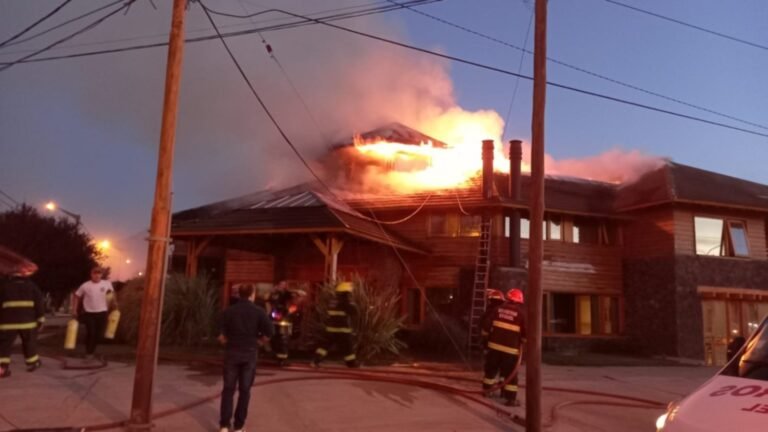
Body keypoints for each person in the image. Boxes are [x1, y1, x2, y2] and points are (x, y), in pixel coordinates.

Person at [218, 283, 274, 432]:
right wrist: (260, 342)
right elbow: (270, 331)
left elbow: (221, 336)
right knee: (245, 390)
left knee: (228, 390)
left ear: (239, 295)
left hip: (232, 352)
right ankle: (239, 426)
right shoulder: (259, 311)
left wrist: (228, 342)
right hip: (249, 352)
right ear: (252, 295)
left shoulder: (228, 311)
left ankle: (224, 426)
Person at [482, 288, 526, 407]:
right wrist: (523, 343)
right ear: (519, 301)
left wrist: (486, 339)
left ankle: (486, 391)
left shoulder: (497, 309)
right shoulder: (521, 314)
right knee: (510, 375)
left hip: (494, 348)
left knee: (491, 370)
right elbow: (525, 334)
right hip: (510, 350)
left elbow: (486, 325)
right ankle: (510, 399)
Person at [0, 262, 45, 378]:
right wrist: (41, 319)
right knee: (29, 343)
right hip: (28, 322)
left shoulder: (3, 285)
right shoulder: (32, 285)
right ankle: (32, 363)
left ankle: (2, 369)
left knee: (4, 345)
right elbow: (39, 302)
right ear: (23, 273)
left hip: (7, 323)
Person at [312, 281, 359, 368]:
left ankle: (316, 360)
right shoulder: (346, 301)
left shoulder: (333, 301)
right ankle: (351, 363)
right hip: (343, 330)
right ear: (346, 292)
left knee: (325, 346)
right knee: (348, 347)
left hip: (331, 329)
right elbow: (354, 312)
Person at [74, 267, 117, 360]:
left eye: (99, 273)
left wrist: (114, 306)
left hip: (102, 312)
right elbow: (77, 296)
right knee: (91, 333)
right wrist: (74, 310)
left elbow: (111, 296)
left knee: (99, 334)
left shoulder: (107, 284)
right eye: (95, 273)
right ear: (91, 274)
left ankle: (91, 351)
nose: (97, 275)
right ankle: (89, 353)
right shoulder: (85, 285)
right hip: (89, 313)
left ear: (101, 275)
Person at [268, 281, 295, 366]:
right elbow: (270, 303)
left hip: (285, 320)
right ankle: (278, 357)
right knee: (276, 340)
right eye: (282, 285)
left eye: (285, 285)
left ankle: (282, 359)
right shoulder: (274, 294)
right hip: (276, 320)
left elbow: (293, 304)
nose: (283, 286)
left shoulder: (287, 294)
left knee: (284, 340)